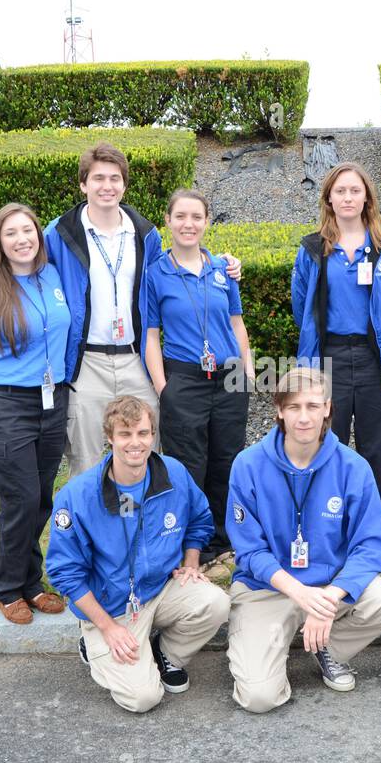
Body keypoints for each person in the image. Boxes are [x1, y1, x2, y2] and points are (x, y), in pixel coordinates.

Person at [0, 142, 242, 474]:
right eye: (98, 178)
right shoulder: (60, 234)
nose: (106, 186)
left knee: (149, 451)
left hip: (135, 359)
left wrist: (218, 261)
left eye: (114, 178)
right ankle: (91, 523)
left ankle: (147, 521)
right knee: (87, 458)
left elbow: (175, 266)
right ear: (83, 184)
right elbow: (21, 258)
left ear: (124, 184)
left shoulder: (145, 233)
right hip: (87, 362)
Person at [224, 367, 381, 713]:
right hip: (269, 589)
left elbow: (371, 545)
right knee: (260, 698)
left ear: (327, 408)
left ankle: (328, 648)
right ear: (279, 410)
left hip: (328, 589)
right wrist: (299, 592)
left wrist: (329, 597)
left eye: (312, 406)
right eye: (294, 407)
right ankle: (263, 648)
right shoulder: (247, 465)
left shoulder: (353, 468)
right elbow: (250, 551)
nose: (304, 418)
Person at [46, 396, 229, 713]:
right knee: (143, 698)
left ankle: (164, 653)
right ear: (109, 437)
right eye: (125, 434)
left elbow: (200, 519)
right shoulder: (77, 496)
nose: (135, 443)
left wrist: (190, 562)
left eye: (143, 433)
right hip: (112, 608)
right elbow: (65, 573)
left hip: (159, 589)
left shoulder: (173, 473)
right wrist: (107, 627)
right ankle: (94, 642)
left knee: (216, 603)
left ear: (153, 435)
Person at [0, 203, 71, 624]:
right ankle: (8, 589)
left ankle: (32, 584)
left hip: (52, 401)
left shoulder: (52, 274)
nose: (22, 239)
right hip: (3, 405)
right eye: (10, 233)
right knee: (18, 498)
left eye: (28, 231)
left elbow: (82, 221)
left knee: (41, 497)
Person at [291, 161, 381, 524]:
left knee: (377, 448)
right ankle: (329, 524)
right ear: (328, 198)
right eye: (340, 190)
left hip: (376, 359)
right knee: (329, 445)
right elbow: (302, 306)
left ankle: (375, 527)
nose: (347, 197)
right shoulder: (313, 249)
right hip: (330, 360)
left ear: (366, 198)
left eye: (354, 190)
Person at [142, 188, 254, 566]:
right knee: (189, 465)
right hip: (183, 379)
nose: (188, 224)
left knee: (227, 460)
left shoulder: (223, 269)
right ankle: (192, 546)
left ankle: (223, 544)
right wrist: (164, 388)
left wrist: (248, 373)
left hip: (229, 377)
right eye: (181, 217)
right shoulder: (156, 273)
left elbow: (237, 325)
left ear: (207, 222)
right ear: (169, 221)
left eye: (196, 217)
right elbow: (151, 335)